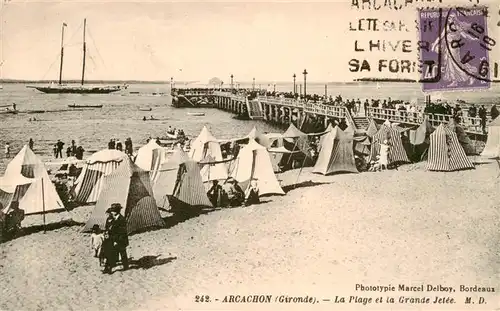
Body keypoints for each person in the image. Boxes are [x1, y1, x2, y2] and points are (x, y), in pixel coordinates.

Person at [105, 203, 129, 272]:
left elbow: (122, 232)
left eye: (113, 211)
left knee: (123, 253)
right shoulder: (110, 218)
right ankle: (108, 268)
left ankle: (126, 266)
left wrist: (117, 241)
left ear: (117, 211)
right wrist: (106, 233)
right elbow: (107, 227)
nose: (111, 212)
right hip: (112, 239)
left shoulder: (122, 219)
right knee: (111, 253)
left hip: (121, 239)